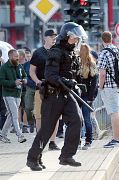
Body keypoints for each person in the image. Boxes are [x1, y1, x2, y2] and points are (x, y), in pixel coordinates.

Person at [26, 22, 86, 171]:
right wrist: (66, 81)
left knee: (77, 120)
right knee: (47, 129)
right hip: (53, 95)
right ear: (66, 36)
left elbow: (73, 74)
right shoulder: (56, 51)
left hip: (66, 93)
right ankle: (33, 158)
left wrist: (75, 84)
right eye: (74, 38)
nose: (76, 40)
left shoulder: (72, 52)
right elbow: (50, 75)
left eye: (77, 38)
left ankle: (66, 156)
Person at [97, 31, 119, 148]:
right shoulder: (117, 50)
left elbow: (102, 73)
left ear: (102, 40)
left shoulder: (104, 52)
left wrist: (100, 86)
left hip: (110, 86)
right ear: (111, 38)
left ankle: (115, 139)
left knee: (114, 112)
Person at [0, 49, 27, 143]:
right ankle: (20, 136)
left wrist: (24, 80)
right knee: (15, 115)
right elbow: (1, 81)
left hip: (18, 94)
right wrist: (14, 83)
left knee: (11, 116)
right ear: (10, 57)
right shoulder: (3, 67)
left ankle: (2, 135)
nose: (18, 58)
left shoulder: (19, 66)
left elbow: (24, 75)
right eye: (16, 56)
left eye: (18, 56)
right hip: (8, 94)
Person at [77, 43, 98, 150]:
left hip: (84, 96)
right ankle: (83, 141)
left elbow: (94, 84)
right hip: (79, 95)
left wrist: (90, 98)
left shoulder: (91, 65)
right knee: (82, 119)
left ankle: (87, 141)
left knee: (85, 119)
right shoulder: (76, 63)